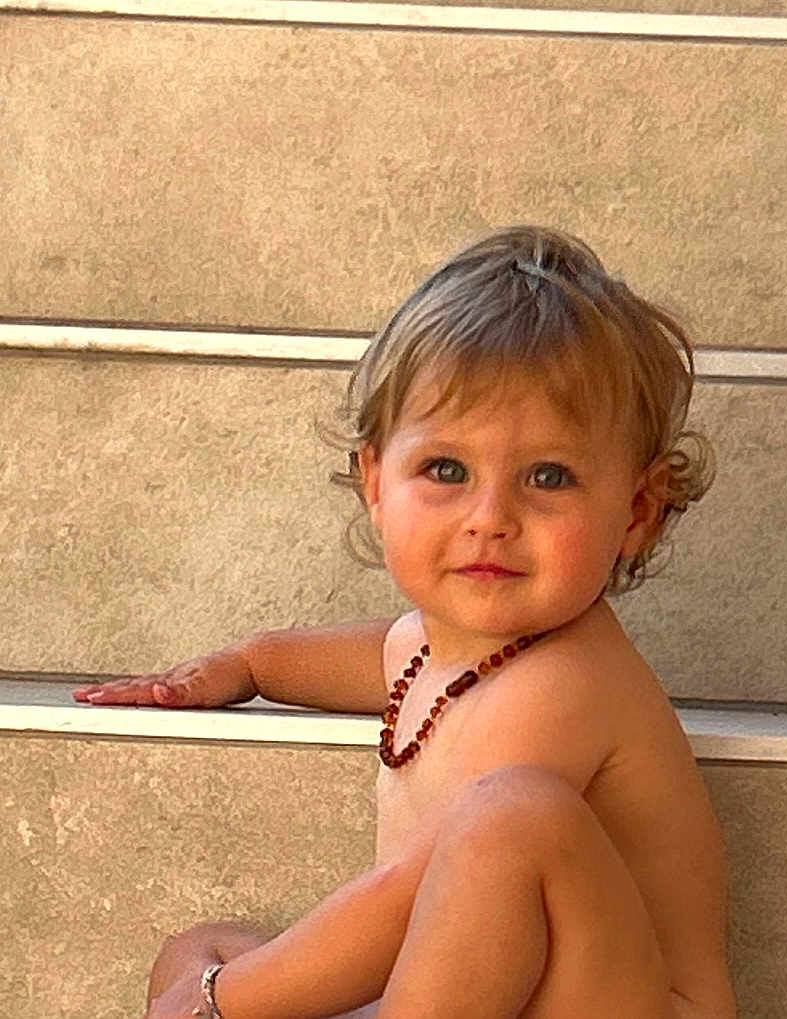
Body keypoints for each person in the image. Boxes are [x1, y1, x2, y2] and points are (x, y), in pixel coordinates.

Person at [73, 226, 737, 1019]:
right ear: (375, 479)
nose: (490, 517)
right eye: (447, 470)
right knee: (200, 947)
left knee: (509, 816)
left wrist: (219, 1003)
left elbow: (402, 898)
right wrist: (241, 665)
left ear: (636, 510)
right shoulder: (437, 648)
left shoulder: (566, 683)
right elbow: (373, 657)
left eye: (548, 476)